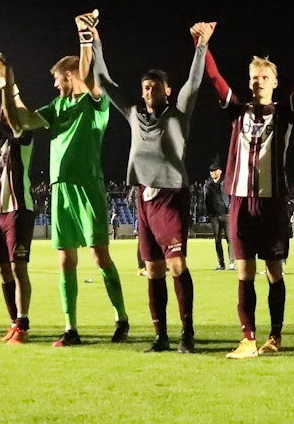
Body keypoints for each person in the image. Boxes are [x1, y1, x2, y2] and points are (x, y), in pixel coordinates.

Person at [0, 9, 132, 347]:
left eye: (58, 78)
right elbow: (20, 121)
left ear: (69, 74)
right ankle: (71, 329)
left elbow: (89, 74)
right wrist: (8, 85)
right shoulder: (56, 107)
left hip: (88, 185)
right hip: (61, 188)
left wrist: (86, 36)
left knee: (100, 255)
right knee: (65, 259)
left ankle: (121, 318)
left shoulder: (94, 102)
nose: (55, 84)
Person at [90, 20, 211, 353]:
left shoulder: (178, 114)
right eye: (145, 87)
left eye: (155, 87)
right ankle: (161, 336)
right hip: (143, 196)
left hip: (171, 195)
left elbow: (195, 82)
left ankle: (187, 332)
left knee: (176, 265)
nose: (148, 92)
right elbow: (104, 81)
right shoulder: (133, 114)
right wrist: (95, 41)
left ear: (166, 90)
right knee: (153, 270)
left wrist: (201, 47)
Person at [202, 25, 294, 359]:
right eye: (253, 77)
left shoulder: (284, 114)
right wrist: (203, 46)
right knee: (244, 271)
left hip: (272, 201)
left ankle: (275, 335)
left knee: (273, 270)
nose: (257, 82)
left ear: (274, 82)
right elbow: (215, 81)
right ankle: (248, 338)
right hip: (240, 199)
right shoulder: (238, 112)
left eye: (264, 78)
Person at [0, 111, 38, 344]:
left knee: (18, 268)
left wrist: (6, 87)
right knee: (3, 269)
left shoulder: (23, 136)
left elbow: (13, 113)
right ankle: (14, 322)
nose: (0, 114)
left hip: (18, 210)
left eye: (6, 111)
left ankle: (23, 325)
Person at [192, 162, 233, 271]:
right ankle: (221, 263)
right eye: (211, 171)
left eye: (214, 170)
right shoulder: (208, 184)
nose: (212, 173)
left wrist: (230, 208)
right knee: (217, 239)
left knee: (229, 239)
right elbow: (205, 199)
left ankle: (232, 263)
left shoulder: (226, 182)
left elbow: (231, 196)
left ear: (220, 171)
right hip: (214, 215)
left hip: (226, 214)